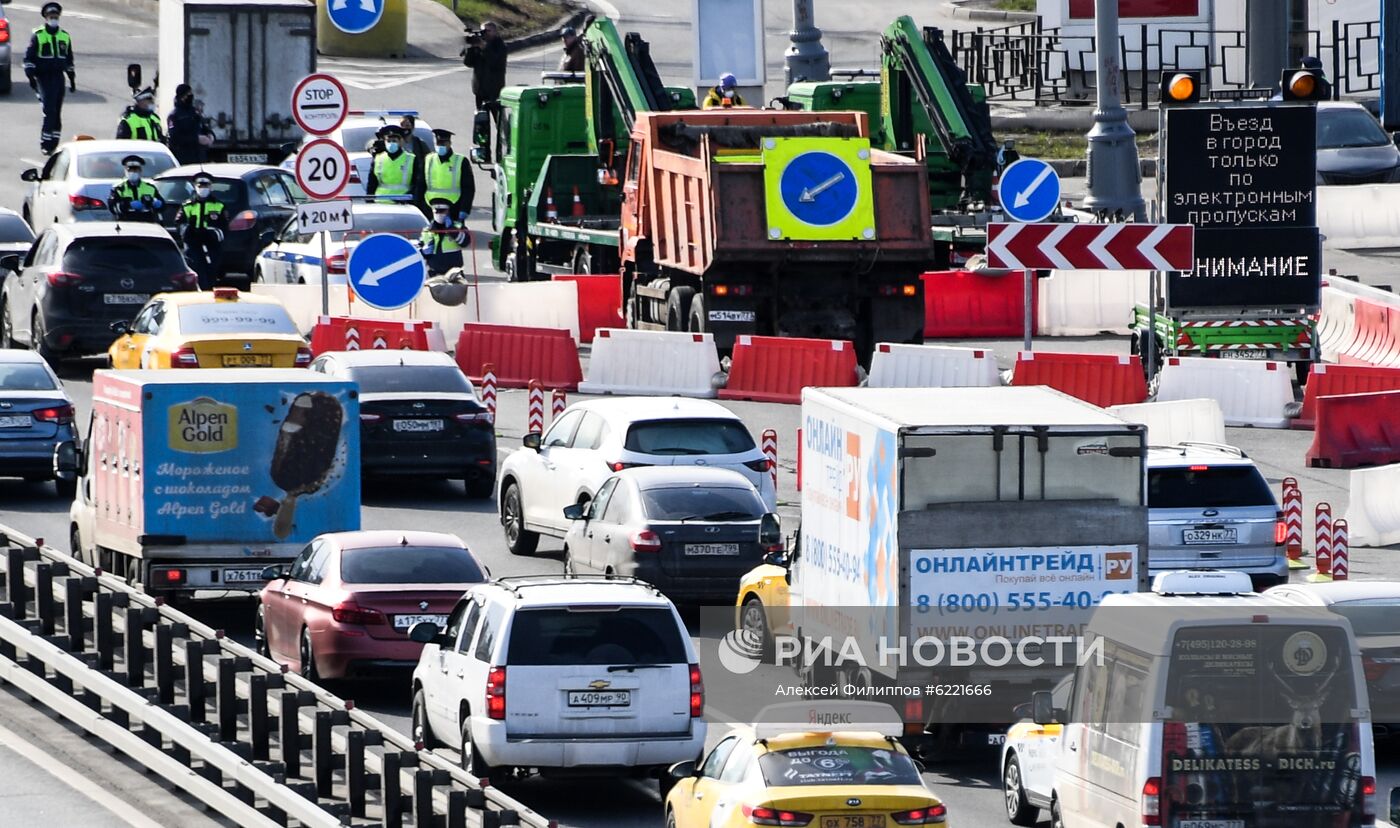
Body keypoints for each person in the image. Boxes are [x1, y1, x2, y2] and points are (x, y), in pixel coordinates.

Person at [23, 2, 75, 155]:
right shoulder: (38, 35)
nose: (54, 19)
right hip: (43, 78)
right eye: (51, 17)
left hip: (58, 78)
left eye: (56, 17)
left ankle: (54, 142)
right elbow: (29, 58)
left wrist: (72, 78)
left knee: (57, 112)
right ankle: (45, 143)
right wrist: (31, 77)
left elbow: (69, 59)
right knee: (49, 111)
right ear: (45, 18)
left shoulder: (64, 36)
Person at [176, 173, 227, 290]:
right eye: (200, 186)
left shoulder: (219, 205)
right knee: (195, 270)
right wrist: (188, 230)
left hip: (211, 245)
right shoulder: (187, 205)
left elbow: (224, 227)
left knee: (211, 271)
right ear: (195, 187)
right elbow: (179, 223)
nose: (203, 189)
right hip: (193, 244)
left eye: (206, 186)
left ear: (211, 187)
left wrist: (211, 233)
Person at [422, 129, 472, 220]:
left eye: (443, 143)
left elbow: (468, 188)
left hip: (453, 207)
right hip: (430, 207)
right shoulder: (428, 159)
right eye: (438, 143)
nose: (440, 146)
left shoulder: (460, 161)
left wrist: (464, 209)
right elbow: (420, 184)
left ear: (449, 143)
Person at [366, 125, 418, 204]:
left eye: (394, 141)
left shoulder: (411, 159)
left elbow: (417, 185)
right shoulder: (378, 159)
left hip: (403, 204)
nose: (391, 144)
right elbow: (371, 184)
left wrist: (407, 199)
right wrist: (369, 201)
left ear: (401, 141)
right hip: (380, 203)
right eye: (388, 141)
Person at [463, 21, 508, 112]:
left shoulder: (500, 45)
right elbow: (468, 63)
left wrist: (483, 47)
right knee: (481, 120)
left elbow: (494, 62)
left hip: (494, 90)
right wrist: (471, 48)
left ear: (495, 32)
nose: (485, 33)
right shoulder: (478, 44)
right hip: (479, 89)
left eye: (489, 31)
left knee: (499, 120)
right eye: (483, 30)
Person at [420, 198, 470, 275]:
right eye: (436, 211)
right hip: (433, 274)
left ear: (448, 211)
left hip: (454, 274)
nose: (439, 214)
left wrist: (451, 229)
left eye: (442, 211)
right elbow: (418, 251)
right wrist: (423, 252)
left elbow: (465, 242)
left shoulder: (458, 227)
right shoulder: (426, 230)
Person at [107, 155, 163, 222]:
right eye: (130, 170)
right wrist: (128, 205)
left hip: (147, 223)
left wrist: (158, 204)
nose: (133, 172)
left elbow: (163, 206)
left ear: (140, 171)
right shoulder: (118, 188)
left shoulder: (150, 188)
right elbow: (112, 207)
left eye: (136, 170)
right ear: (125, 171)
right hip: (126, 224)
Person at [167, 84, 207, 164]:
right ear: (182, 96)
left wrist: (210, 135)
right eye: (188, 94)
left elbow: (204, 128)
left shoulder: (195, 113)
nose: (191, 96)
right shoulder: (174, 115)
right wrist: (196, 139)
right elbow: (175, 137)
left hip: (198, 157)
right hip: (183, 157)